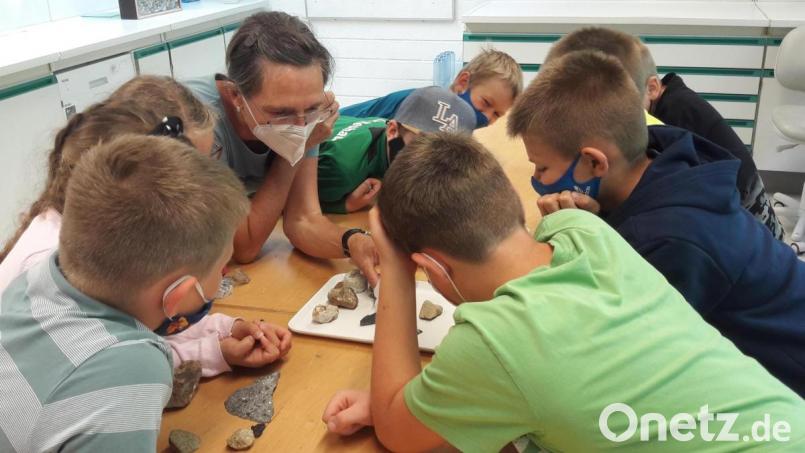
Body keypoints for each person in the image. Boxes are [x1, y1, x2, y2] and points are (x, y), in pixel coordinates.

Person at [321, 132, 805, 452]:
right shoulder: (581, 232)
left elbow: (393, 427)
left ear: (430, 266)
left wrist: (396, 270)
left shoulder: (492, 344)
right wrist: (432, 403)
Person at [507, 49, 805, 397]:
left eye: (542, 167)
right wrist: (598, 221)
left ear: (594, 162)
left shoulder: (667, 240)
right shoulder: (667, 156)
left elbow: (619, 355)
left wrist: (576, 242)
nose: (536, 178)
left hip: (785, 383)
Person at [0, 76, 290, 378]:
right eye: (192, 164)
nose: (204, 180)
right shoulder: (62, 260)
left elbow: (139, 324)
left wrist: (224, 329)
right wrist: (214, 352)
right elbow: (110, 362)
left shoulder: (104, 230)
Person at [0, 134, 250, 451]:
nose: (221, 279)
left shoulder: (36, 278)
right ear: (177, 294)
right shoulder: (131, 365)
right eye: (221, 268)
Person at [183, 11, 379, 285]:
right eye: (281, 113)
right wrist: (297, 149)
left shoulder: (304, 115)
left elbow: (304, 220)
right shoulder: (197, 127)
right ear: (236, 95)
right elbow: (245, 247)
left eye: (311, 108)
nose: (299, 126)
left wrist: (354, 241)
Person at [543, 27, 783, 239]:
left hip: (749, 224)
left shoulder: (675, 118)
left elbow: (668, 210)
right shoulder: (664, 109)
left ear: (652, 88)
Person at [318, 86, 476, 213]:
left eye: (450, 156)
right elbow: (296, 207)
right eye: (425, 146)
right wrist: (344, 205)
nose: (435, 164)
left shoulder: (388, 133)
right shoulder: (341, 171)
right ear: (393, 130)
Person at [340, 49, 522, 128]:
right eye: (486, 103)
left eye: (497, 114)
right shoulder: (423, 106)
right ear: (463, 82)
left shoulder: (457, 121)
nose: (488, 116)